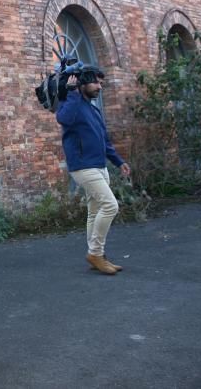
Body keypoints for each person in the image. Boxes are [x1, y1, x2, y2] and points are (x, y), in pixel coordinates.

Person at [56, 64, 131, 275]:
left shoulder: (92, 109)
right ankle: (96, 254)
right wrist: (71, 93)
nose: (100, 87)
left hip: (99, 166)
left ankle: (96, 254)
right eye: (96, 82)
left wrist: (118, 161)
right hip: (83, 166)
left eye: (101, 83)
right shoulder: (71, 103)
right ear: (82, 83)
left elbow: (104, 141)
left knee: (95, 212)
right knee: (110, 206)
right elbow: (64, 119)